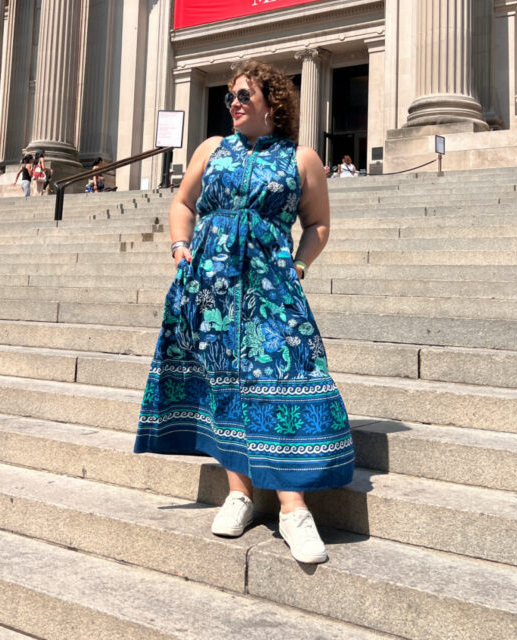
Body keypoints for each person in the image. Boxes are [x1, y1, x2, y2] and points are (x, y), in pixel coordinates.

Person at [135, 60, 354, 564]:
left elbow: (318, 223)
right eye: (230, 96)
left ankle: (292, 508)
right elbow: (183, 203)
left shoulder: (302, 158)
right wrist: (179, 246)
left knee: (286, 374)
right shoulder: (211, 149)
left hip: (271, 286)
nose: (232, 102)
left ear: (271, 103)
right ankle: (239, 494)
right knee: (225, 381)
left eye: (242, 95)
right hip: (211, 285)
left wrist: (298, 267)